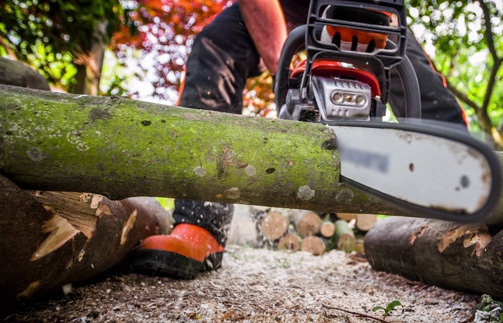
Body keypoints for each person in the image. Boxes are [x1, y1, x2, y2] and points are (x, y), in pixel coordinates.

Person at [132, 0, 468, 279]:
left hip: (369, 6)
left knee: (418, 81)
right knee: (215, 45)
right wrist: (290, 72)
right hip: (286, 7)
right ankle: (200, 223)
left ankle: (461, 196)